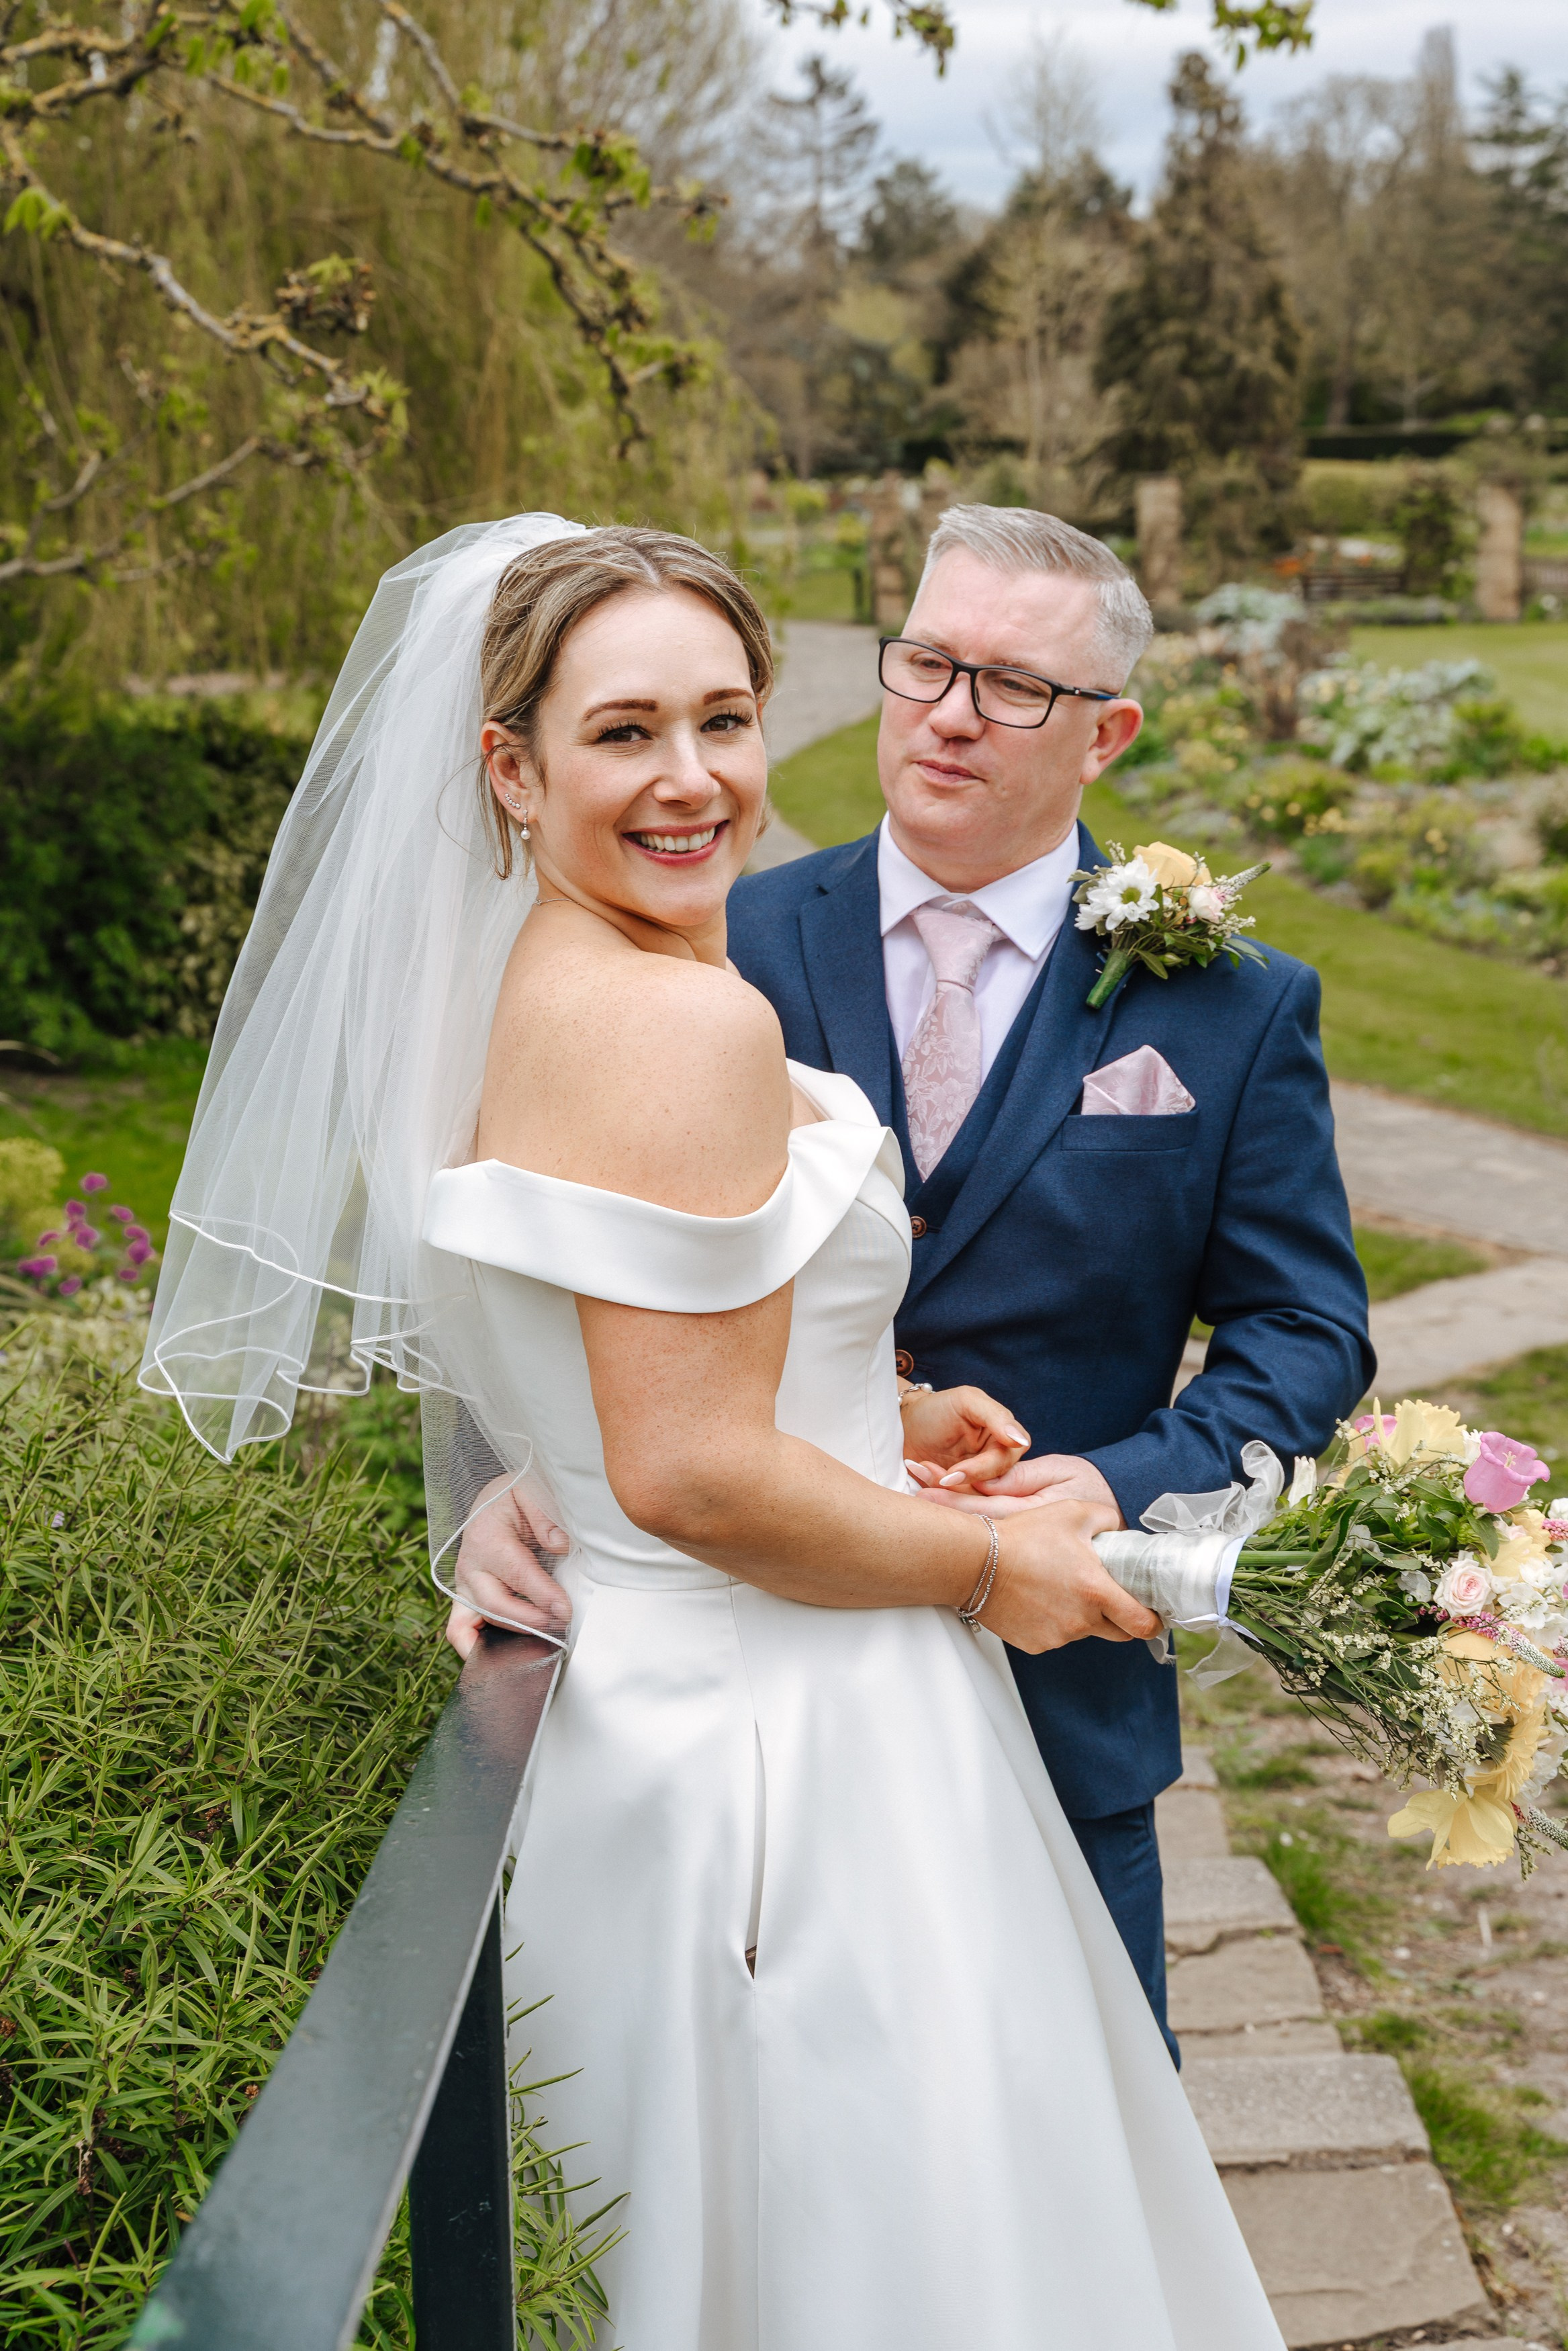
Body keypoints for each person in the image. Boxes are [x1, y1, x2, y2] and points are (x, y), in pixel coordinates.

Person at [144, 514, 1284, 2350]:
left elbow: (621, 1361)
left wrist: (879, 1409)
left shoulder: (524, 980)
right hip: (797, 1748)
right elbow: (687, 1469)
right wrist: (1002, 1556)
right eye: (623, 733)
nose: (693, 781)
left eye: (727, 719)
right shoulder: (683, 1023)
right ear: (509, 765)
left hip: (646, 1728)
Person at [464, 504, 1376, 2064]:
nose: (950, 711)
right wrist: (517, 1473)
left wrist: (1105, 1484)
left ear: (1109, 735)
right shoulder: (704, 923)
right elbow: (568, 1263)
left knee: (1057, 2183)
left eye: (1012, 685)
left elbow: (1305, 1330)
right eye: (927, 661)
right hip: (749, 1698)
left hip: (1063, 1700)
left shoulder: (1228, 1005)